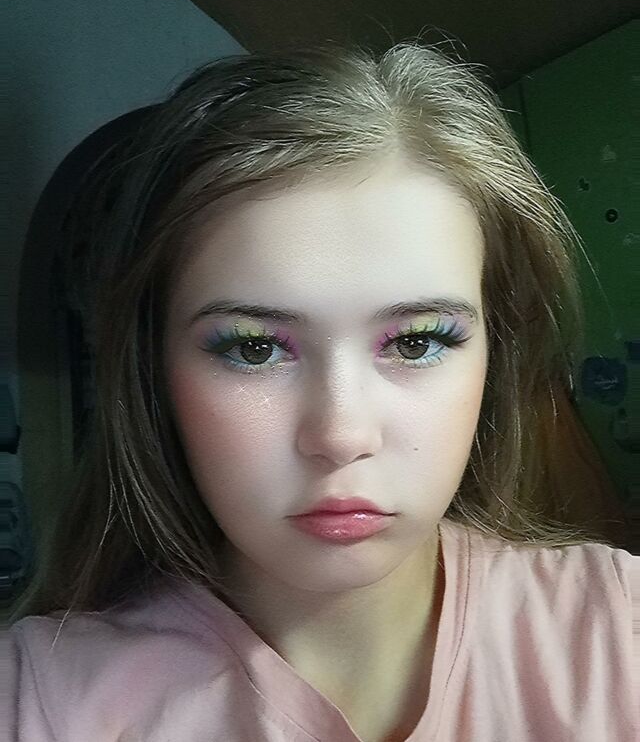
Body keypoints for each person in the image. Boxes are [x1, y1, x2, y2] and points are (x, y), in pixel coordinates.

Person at [5, 42, 638, 741]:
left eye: (416, 341)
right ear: (153, 370)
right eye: (254, 347)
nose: (341, 435)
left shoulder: (621, 633)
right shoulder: (37, 701)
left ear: (497, 350)